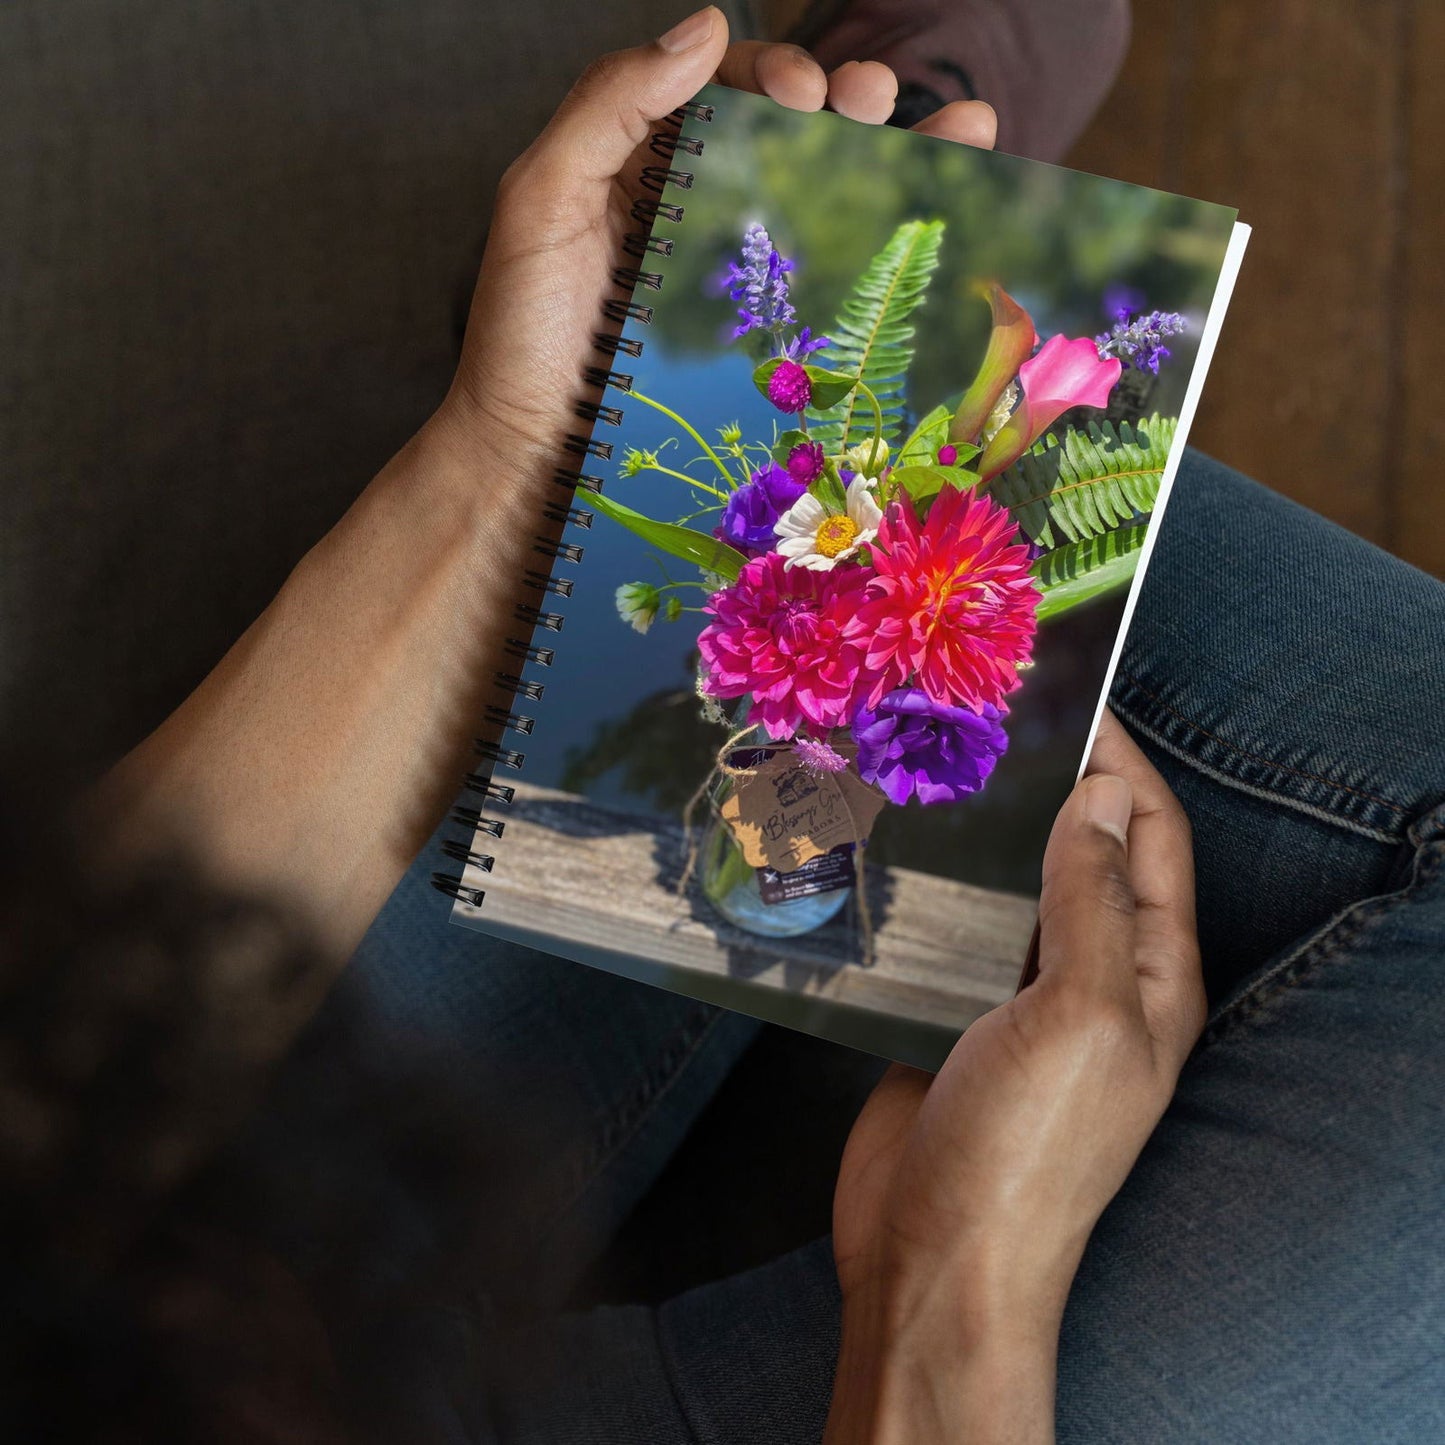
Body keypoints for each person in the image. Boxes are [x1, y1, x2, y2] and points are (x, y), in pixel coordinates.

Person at [3, 8, 1442, 1442]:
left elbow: (49, 1079)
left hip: (133, 1299)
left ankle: (746, 327)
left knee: (686, 592)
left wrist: (502, 466)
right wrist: (946, 1302)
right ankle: (847, 279)